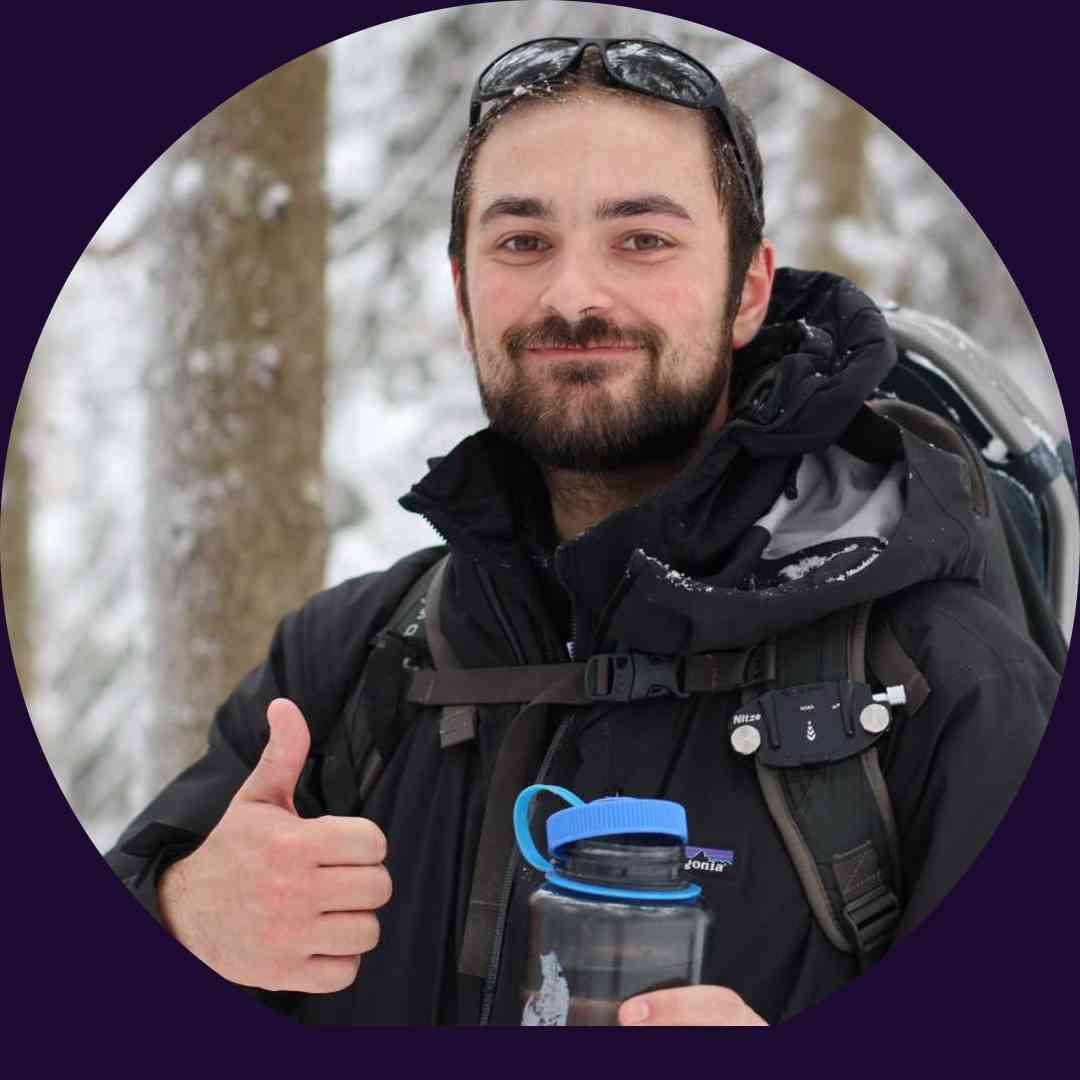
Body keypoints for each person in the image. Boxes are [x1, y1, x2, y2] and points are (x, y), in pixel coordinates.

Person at [106, 37, 1059, 1026]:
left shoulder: (949, 684)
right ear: (463, 294)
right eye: (523, 242)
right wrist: (182, 915)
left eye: (642, 239)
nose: (573, 296)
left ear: (747, 290)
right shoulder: (350, 664)